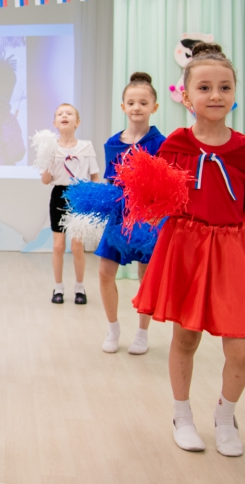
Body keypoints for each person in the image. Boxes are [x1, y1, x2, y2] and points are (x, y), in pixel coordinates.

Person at [133, 42, 245, 457]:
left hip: (232, 249)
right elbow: (157, 203)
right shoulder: (175, 145)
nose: (215, 95)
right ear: (187, 97)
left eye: (224, 87)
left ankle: (226, 417)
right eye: (205, 88)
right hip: (187, 248)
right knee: (186, 337)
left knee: (242, 347)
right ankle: (182, 415)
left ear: (234, 94)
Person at [97, 72, 166, 355]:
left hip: (148, 217)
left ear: (154, 107)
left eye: (143, 103)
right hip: (118, 217)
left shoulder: (161, 143)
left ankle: (142, 333)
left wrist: (154, 212)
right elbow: (111, 182)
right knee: (104, 272)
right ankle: (113, 329)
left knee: (145, 275)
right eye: (131, 102)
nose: (137, 107)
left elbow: (166, 185)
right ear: (123, 106)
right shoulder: (113, 143)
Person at [40, 104, 100, 305]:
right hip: (59, 195)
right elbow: (45, 180)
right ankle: (58, 287)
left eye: (69, 113)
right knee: (58, 246)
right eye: (60, 114)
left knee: (77, 246)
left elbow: (94, 176)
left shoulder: (86, 146)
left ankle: (80, 288)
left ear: (77, 122)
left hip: (81, 196)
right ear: (54, 123)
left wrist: (93, 201)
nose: (64, 116)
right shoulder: (51, 148)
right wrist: (47, 159)